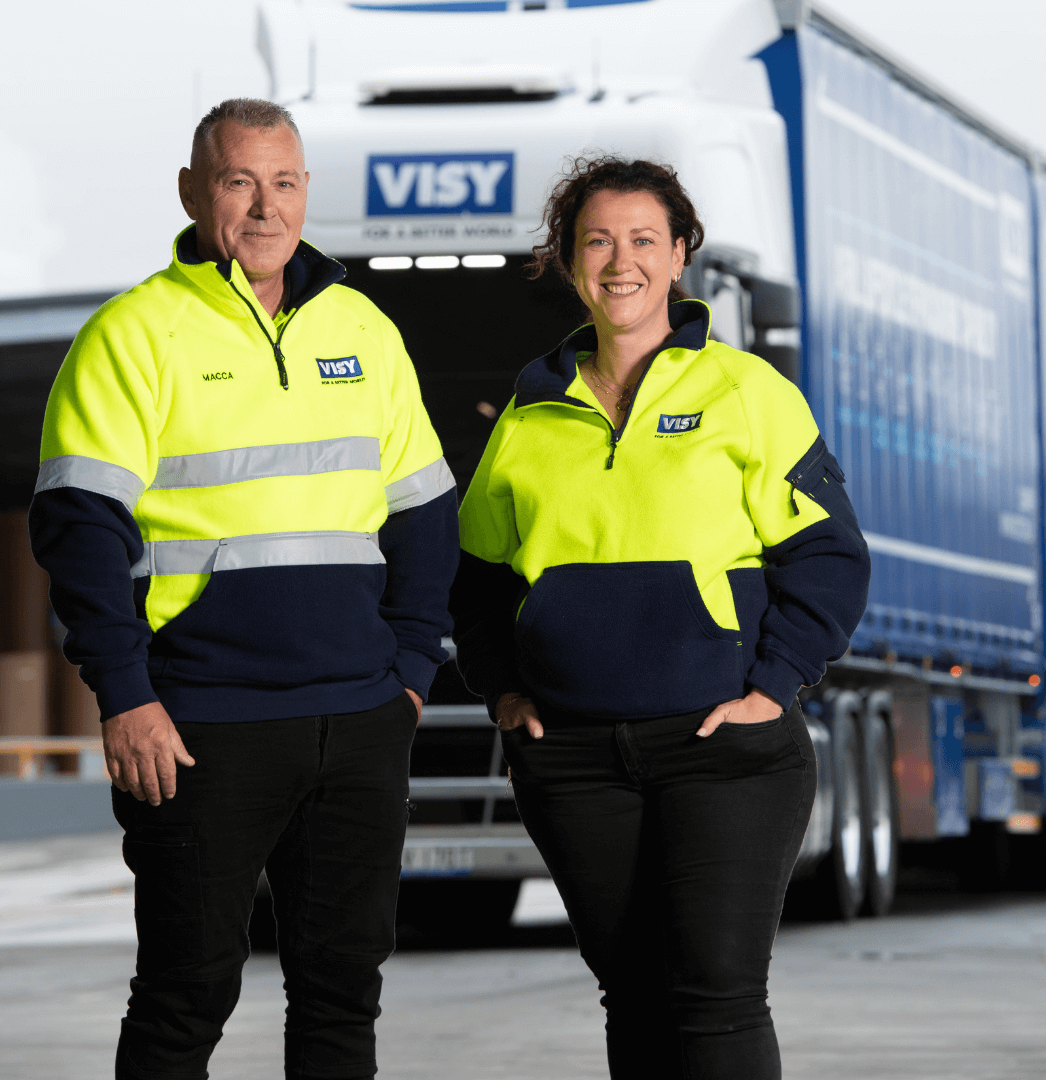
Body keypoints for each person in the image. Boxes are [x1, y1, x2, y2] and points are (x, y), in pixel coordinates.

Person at [29, 99, 458, 1080]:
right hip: (199, 726)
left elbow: (428, 510)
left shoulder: (363, 329)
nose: (265, 208)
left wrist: (407, 670)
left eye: (286, 182)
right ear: (193, 192)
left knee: (343, 993)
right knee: (188, 994)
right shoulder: (134, 334)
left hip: (358, 718)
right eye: (239, 181)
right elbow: (79, 530)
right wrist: (127, 696)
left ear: (306, 192)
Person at [450, 156, 871, 1080]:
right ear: (568, 261)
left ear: (681, 254)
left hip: (724, 748)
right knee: (633, 995)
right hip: (573, 758)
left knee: (716, 994)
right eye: (597, 240)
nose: (621, 261)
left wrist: (774, 685)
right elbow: (477, 577)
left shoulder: (746, 392)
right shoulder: (528, 414)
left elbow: (830, 557)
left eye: (644, 239)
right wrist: (503, 692)